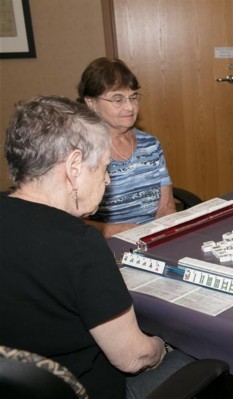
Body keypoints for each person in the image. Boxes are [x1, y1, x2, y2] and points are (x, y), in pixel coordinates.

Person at [0, 96, 194, 399]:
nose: (106, 179)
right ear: (74, 166)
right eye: (105, 167)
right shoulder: (79, 244)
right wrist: (163, 345)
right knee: (208, 357)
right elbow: (133, 358)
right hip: (86, 391)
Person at [77, 57, 176, 238]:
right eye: (118, 99)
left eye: (133, 97)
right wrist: (114, 231)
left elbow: (166, 208)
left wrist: (160, 241)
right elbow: (67, 222)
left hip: (150, 242)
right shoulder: (79, 153)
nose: (130, 107)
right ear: (91, 103)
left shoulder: (150, 144)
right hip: (103, 245)